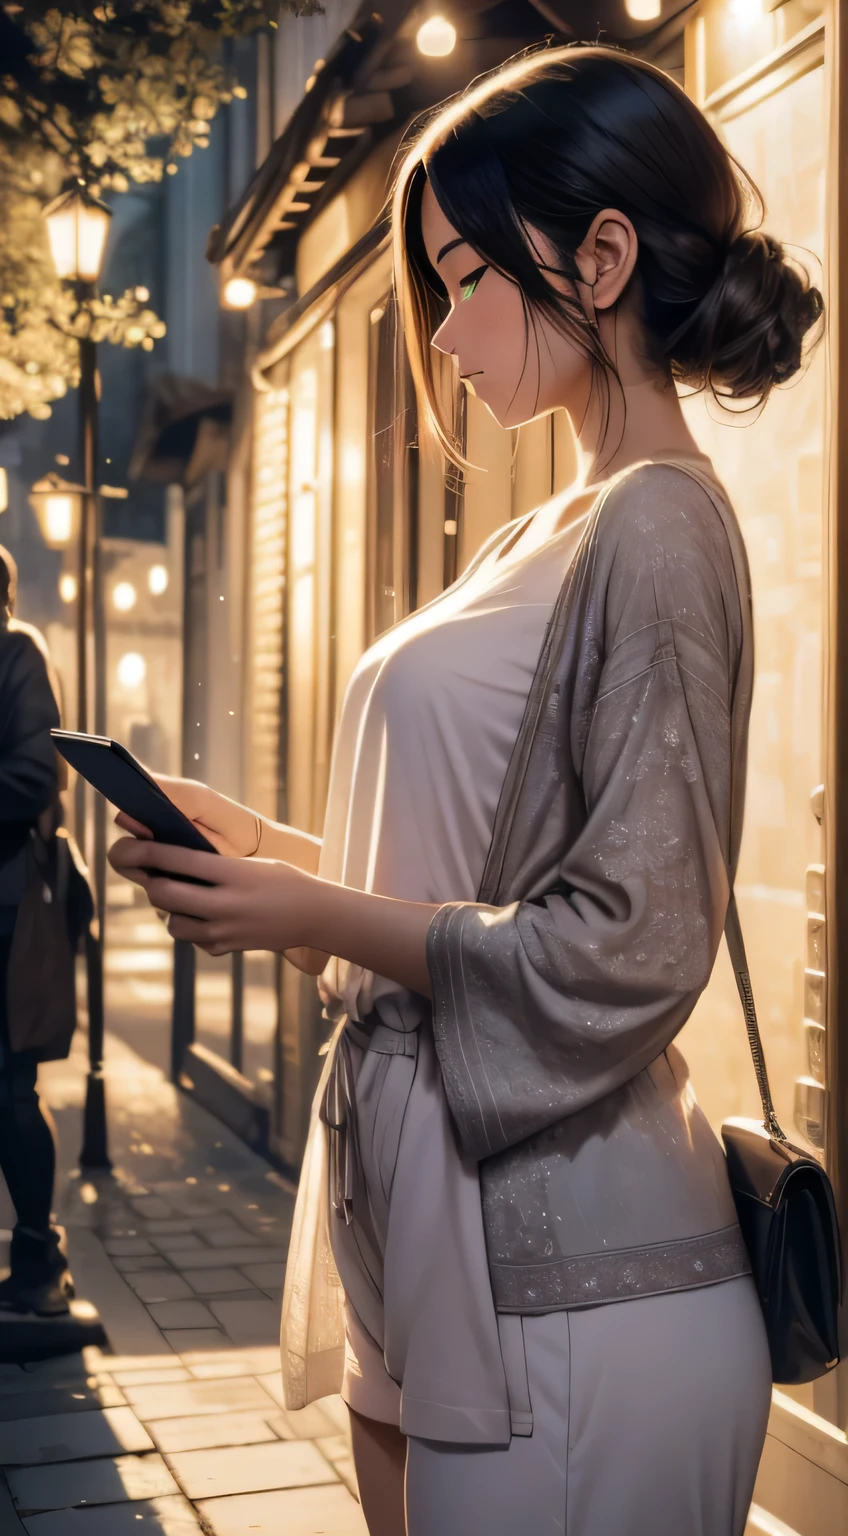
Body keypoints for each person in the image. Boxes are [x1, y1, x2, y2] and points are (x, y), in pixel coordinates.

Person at [109, 44, 823, 1536]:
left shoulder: (663, 533)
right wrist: (272, 856)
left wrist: (307, 906)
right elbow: (472, 882)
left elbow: (631, 945)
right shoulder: (544, 532)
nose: (441, 335)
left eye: (463, 280)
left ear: (601, 256)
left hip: (577, 1278)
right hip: (452, 1250)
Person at [0, 545, 73, 1317]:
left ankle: (36, 1262)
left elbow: (34, 775)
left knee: (10, 1086)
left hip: (7, 911)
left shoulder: (17, 654)